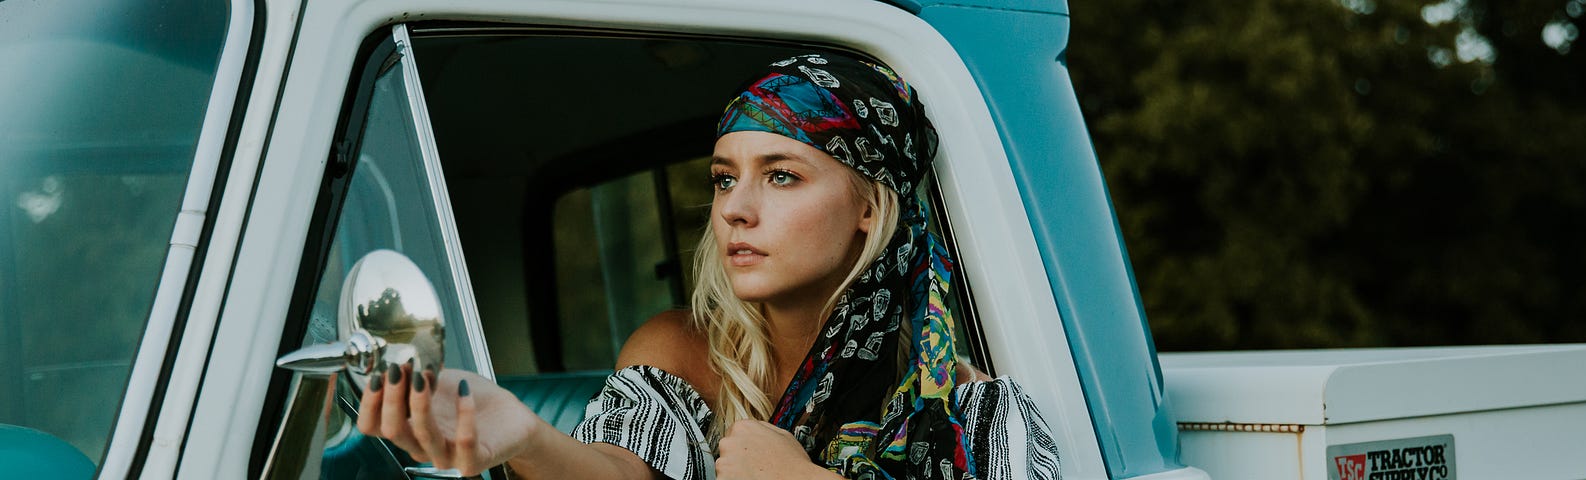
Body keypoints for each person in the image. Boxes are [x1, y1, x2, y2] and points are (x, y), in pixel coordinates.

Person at [357, 52, 1061, 480]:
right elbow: (620, 474)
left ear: (868, 209)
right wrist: (523, 436)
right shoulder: (680, 353)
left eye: (781, 176)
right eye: (725, 178)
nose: (734, 210)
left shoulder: (967, 411)